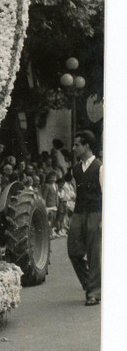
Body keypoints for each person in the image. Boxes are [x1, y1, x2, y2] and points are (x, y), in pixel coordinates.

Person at [68, 131, 101, 306]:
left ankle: (93, 293)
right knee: (73, 250)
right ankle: (91, 284)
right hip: (79, 212)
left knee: (94, 253)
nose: (74, 148)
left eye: (77, 145)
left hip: (96, 212)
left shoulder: (101, 167)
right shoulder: (75, 169)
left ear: (86, 146)